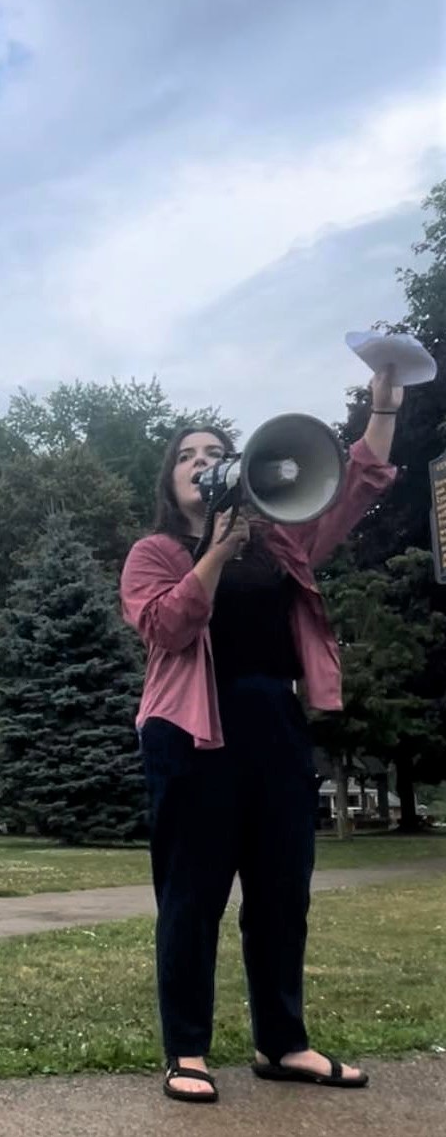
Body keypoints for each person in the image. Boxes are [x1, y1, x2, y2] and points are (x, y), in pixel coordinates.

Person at [120, 368, 401, 1104]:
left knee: (282, 894)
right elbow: (169, 628)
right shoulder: (155, 553)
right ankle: (187, 1050)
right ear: (172, 478)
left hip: (272, 722)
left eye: (216, 450)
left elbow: (355, 483)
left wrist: (384, 402)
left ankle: (284, 1044)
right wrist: (214, 549)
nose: (204, 460)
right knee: (194, 896)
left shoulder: (281, 544)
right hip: (190, 733)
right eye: (188, 454)